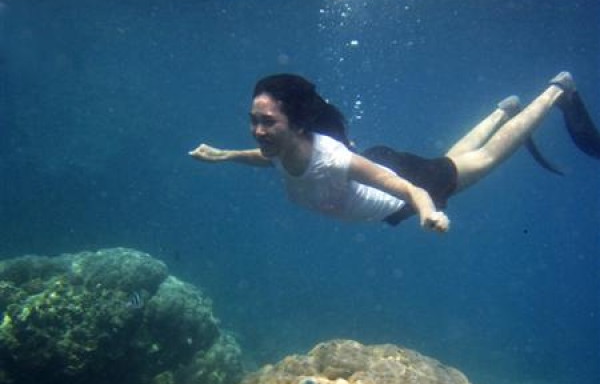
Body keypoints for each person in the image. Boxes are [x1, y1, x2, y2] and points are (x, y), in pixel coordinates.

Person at [189, 72, 600, 234]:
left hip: (403, 186)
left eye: (268, 122)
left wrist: (428, 213)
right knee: (448, 164)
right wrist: (224, 155)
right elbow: (264, 157)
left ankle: (556, 91)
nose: (258, 131)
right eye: (254, 121)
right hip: (378, 165)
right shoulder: (282, 147)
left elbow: (407, 189)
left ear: (297, 125)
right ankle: (502, 111)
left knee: (486, 159)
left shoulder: (331, 158)